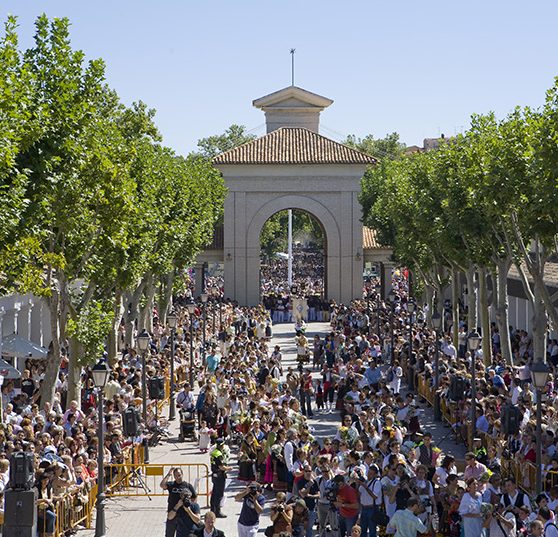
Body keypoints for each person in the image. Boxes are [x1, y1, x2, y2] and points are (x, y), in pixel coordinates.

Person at [160, 467, 197, 537]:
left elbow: (194, 497)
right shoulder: (171, 485)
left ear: (182, 474)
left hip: (183, 516)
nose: (178, 477)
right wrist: (168, 475)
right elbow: (162, 485)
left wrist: (191, 508)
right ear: (174, 476)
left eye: (179, 475)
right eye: (176, 476)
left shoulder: (188, 486)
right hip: (172, 514)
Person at [210, 439, 230, 518]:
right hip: (219, 476)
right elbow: (221, 467)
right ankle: (217, 512)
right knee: (219, 494)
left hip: (215, 475)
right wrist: (229, 468)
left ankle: (212, 509)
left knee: (214, 493)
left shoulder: (214, 452)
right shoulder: (218, 454)